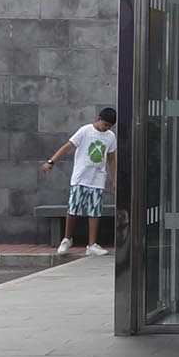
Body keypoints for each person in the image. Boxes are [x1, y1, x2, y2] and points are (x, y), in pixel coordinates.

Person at [43, 107, 120, 257]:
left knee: (95, 211)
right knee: (73, 209)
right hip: (81, 177)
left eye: (109, 126)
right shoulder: (85, 131)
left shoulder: (111, 136)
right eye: (104, 124)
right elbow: (67, 146)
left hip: (97, 178)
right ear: (98, 119)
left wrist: (114, 179)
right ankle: (67, 239)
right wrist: (51, 161)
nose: (106, 128)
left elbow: (111, 158)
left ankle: (92, 244)